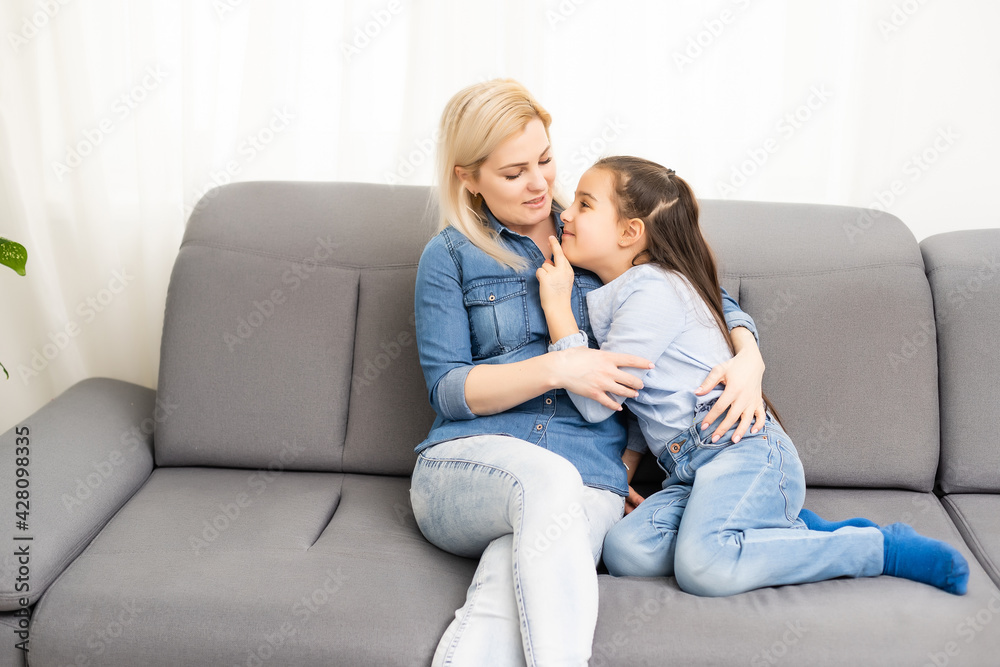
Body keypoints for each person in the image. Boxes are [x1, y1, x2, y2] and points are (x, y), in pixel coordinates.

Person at [408, 80, 769, 666]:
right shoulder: (449, 256)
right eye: (513, 172)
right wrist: (558, 367)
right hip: (470, 468)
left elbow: (704, 295)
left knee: (505, 582)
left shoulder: (593, 231)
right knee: (545, 484)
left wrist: (750, 357)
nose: (540, 184)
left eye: (546, 161)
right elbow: (450, 390)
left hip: (590, 480)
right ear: (467, 177)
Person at [536, 155, 971, 598]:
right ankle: (786, 525)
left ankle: (880, 548)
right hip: (690, 470)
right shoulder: (630, 290)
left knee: (704, 568)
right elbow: (638, 394)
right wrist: (625, 466)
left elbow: (595, 402)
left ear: (631, 232)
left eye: (584, 205)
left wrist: (557, 311)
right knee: (627, 551)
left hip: (740, 451)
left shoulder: (652, 289)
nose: (565, 213)